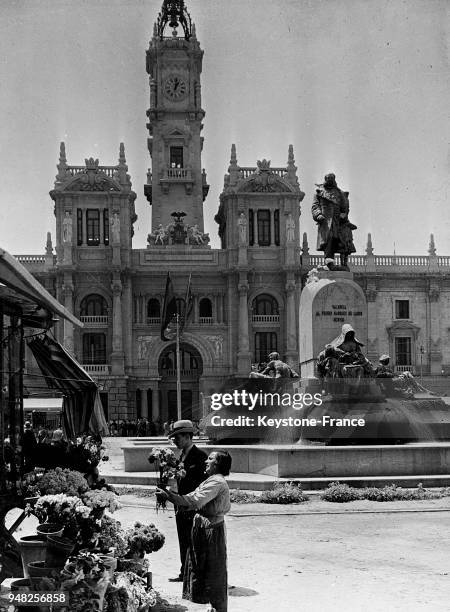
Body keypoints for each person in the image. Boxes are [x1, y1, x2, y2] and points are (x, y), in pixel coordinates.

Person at [157, 449, 232, 612]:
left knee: (211, 572)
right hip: (204, 528)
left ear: (218, 464)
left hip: (211, 532)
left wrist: (170, 496)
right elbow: (191, 497)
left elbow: (194, 500)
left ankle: (214, 608)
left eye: (210, 459)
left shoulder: (217, 482)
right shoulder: (210, 480)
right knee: (199, 569)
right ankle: (203, 606)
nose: (206, 461)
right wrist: (172, 495)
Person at [166, 420, 208, 582]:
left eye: (177, 437)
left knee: (193, 541)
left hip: (192, 507)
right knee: (183, 539)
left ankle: (195, 575)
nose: (175, 441)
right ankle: (185, 571)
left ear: (188, 437)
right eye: (173, 438)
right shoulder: (181, 455)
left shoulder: (200, 457)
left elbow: (202, 485)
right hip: (180, 505)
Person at [311, 173, 356, 270]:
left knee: (341, 240)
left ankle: (343, 263)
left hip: (338, 221)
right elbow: (315, 206)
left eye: (331, 179)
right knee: (328, 239)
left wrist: (344, 214)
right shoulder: (319, 192)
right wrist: (318, 214)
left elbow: (345, 207)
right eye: (328, 179)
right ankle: (329, 261)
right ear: (325, 180)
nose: (330, 180)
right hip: (326, 221)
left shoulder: (339, 193)